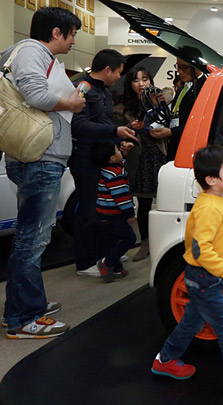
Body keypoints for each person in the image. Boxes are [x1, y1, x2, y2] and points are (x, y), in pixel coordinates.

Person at [151, 145, 223, 394]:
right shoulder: (208, 209)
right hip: (204, 277)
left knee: (190, 323)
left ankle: (165, 361)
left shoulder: (215, 201)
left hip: (205, 277)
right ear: (212, 179)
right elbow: (200, 251)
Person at [2, 7, 84, 339]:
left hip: (33, 155)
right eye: (72, 33)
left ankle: (23, 307)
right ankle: (24, 318)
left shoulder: (17, 53)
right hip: (40, 157)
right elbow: (36, 95)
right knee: (32, 240)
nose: (74, 39)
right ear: (55, 32)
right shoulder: (32, 52)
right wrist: (72, 104)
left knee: (30, 238)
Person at [70, 49, 137, 277]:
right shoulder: (83, 88)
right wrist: (114, 130)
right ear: (108, 70)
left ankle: (107, 255)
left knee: (104, 211)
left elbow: (105, 124)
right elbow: (78, 125)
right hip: (85, 158)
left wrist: (119, 141)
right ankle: (85, 263)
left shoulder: (105, 93)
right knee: (88, 211)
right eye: (118, 72)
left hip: (102, 156)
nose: (120, 77)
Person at [114, 66, 165, 262]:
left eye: (145, 79)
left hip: (160, 154)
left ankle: (162, 242)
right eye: (136, 80)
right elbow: (116, 131)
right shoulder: (124, 107)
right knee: (143, 204)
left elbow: (170, 123)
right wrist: (130, 128)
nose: (142, 84)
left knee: (166, 201)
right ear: (130, 84)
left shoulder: (160, 101)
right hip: (139, 158)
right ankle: (145, 242)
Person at [90, 142, 136, 283]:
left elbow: (120, 163)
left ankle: (117, 269)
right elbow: (121, 197)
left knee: (112, 242)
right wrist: (130, 214)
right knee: (129, 239)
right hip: (114, 215)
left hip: (102, 214)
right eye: (117, 150)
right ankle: (107, 262)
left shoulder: (105, 170)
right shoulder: (116, 174)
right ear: (112, 158)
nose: (120, 151)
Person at [150, 48, 206, 161]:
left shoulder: (205, 87)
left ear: (196, 66)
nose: (180, 71)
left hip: (192, 149)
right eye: (178, 66)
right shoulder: (182, 88)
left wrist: (171, 132)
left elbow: (201, 123)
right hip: (175, 145)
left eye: (184, 67)